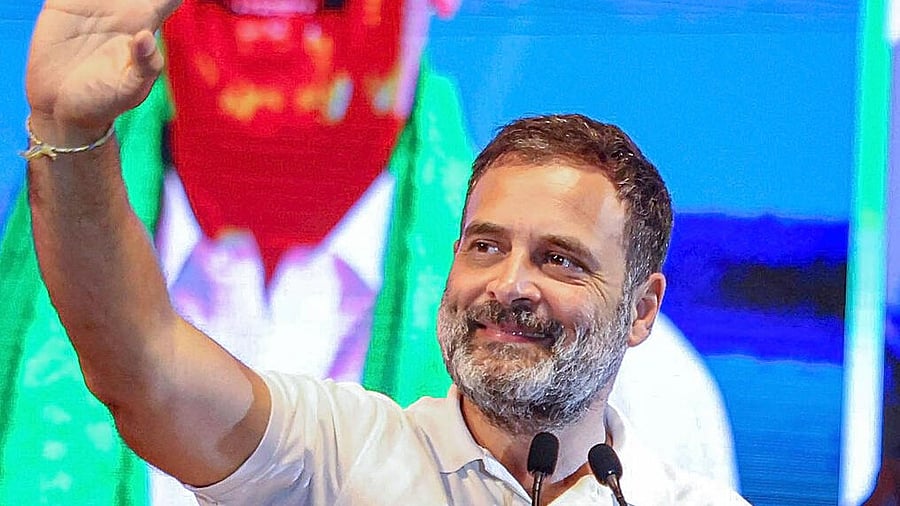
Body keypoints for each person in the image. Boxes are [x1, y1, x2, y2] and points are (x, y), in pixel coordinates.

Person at [22, 0, 749, 503]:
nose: (509, 285)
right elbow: (143, 370)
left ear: (642, 308)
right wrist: (69, 133)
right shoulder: (347, 450)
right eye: (486, 246)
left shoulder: (675, 441)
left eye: (558, 259)